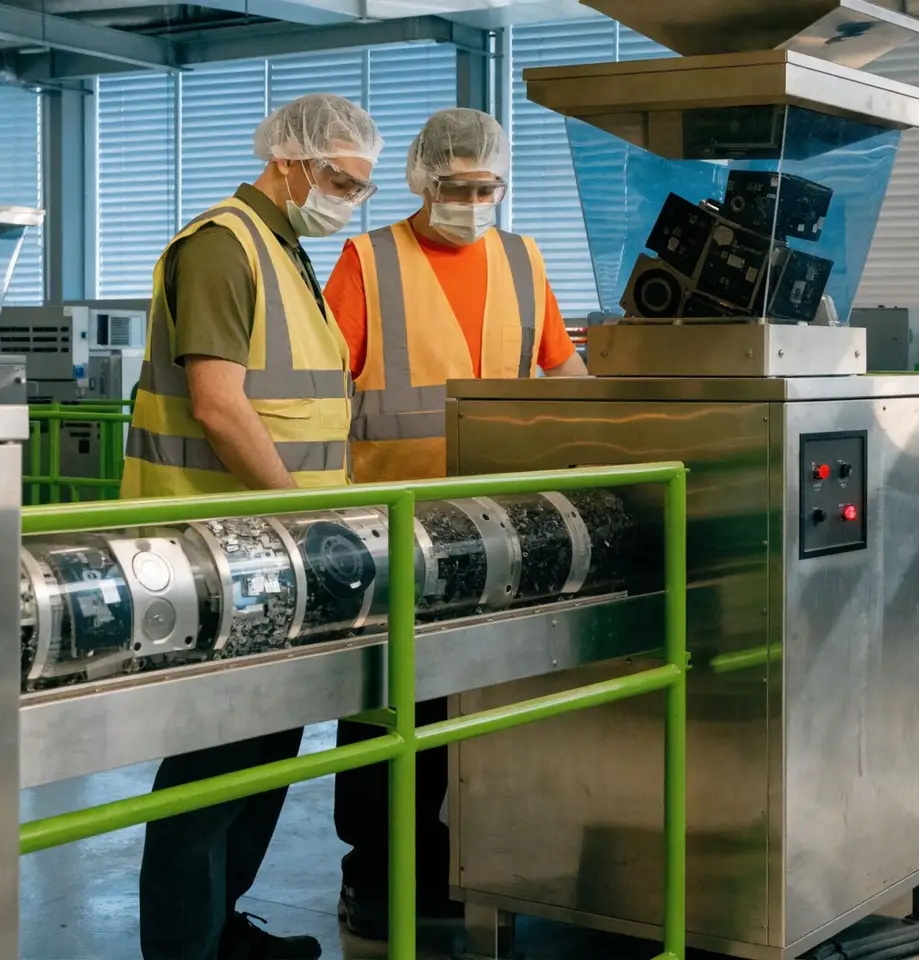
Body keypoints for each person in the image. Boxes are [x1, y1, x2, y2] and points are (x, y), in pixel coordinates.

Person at [122, 92, 382, 960]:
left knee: (265, 751)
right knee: (209, 767)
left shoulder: (284, 251)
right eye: (341, 179)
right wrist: (307, 519)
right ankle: (183, 949)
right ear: (290, 161)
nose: (350, 198)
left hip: (273, 552)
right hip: (216, 551)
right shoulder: (221, 247)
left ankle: (222, 931)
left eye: (360, 186)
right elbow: (219, 406)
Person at [322, 106, 586, 941]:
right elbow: (320, 390)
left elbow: (564, 374)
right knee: (387, 705)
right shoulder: (368, 262)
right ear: (421, 179)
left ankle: (467, 864)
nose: (472, 203)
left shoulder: (522, 259)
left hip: (500, 528)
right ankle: (376, 876)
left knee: (470, 701)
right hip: (391, 526)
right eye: (457, 187)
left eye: (487, 188)